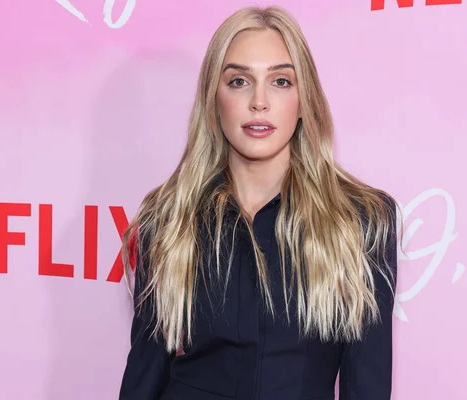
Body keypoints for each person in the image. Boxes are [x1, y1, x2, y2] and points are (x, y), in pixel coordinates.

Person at [118, 5, 399, 400]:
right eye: (238, 81)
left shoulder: (361, 221)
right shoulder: (167, 221)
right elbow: (143, 379)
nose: (259, 102)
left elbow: (366, 385)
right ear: (214, 99)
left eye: (281, 81)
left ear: (305, 100)